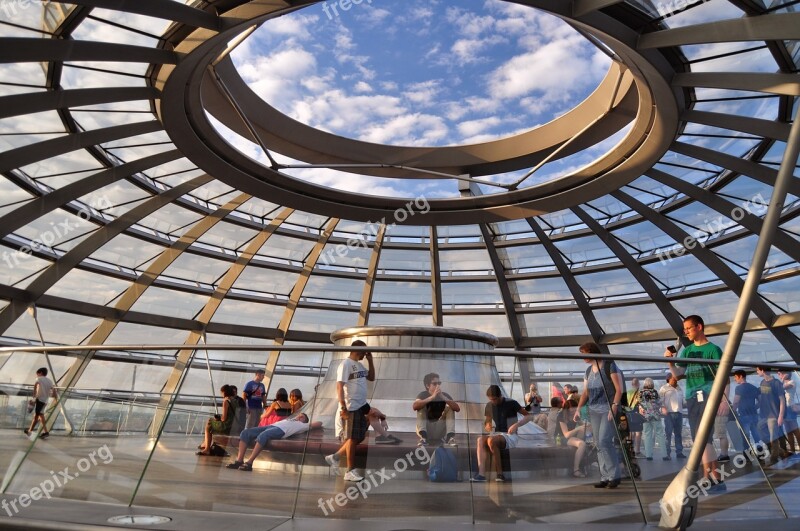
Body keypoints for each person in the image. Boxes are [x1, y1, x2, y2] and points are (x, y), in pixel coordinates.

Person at [665, 315, 725, 492]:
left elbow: (722, 378)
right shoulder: (687, 351)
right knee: (702, 439)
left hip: (707, 396)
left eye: (689, 328)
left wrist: (721, 399)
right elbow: (678, 375)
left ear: (699, 327)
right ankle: (714, 477)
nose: (687, 332)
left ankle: (709, 477)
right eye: (685, 330)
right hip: (692, 397)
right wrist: (669, 360)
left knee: (702, 439)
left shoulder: (714, 350)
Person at [325, 340, 375, 482]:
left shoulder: (359, 365)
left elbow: (371, 377)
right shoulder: (345, 364)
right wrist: (343, 407)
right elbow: (340, 386)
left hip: (360, 405)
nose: (365, 355)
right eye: (365, 352)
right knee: (352, 438)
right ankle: (349, 471)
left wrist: (371, 361)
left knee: (358, 437)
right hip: (351, 406)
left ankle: (335, 457)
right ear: (358, 350)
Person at [575, 342, 623, 489]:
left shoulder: (609, 366)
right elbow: (586, 393)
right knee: (598, 443)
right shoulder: (588, 371)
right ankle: (605, 476)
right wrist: (578, 408)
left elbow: (618, 389)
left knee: (604, 441)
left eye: (585, 353)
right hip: (594, 410)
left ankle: (614, 475)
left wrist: (614, 406)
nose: (583, 357)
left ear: (592, 352)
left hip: (608, 409)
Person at [471, 384, 532, 482]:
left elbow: (528, 416)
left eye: (494, 399)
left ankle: (500, 474)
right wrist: (488, 426)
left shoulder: (511, 403)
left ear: (500, 396)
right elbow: (487, 422)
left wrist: (516, 425)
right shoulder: (489, 405)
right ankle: (481, 474)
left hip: (511, 435)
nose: (493, 402)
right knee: (480, 440)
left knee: (491, 440)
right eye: (491, 399)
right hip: (497, 434)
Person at [226, 413, 323, 471]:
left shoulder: (302, 425)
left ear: (305, 421)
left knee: (263, 436)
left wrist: (308, 423)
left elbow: (320, 423)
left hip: (281, 430)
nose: (299, 417)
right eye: (299, 415)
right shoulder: (290, 420)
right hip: (272, 426)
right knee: (245, 433)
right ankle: (239, 461)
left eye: (302, 417)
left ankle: (249, 463)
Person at [412, 372, 460, 446]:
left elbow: (457, 409)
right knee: (420, 407)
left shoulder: (444, 395)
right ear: (427, 385)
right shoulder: (423, 394)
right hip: (426, 429)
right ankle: (423, 438)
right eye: (435, 384)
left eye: (439, 383)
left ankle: (450, 438)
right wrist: (432, 397)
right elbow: (415, 406)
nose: (438, 386)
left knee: (450, 407)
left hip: (439, 429)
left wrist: (443, 397)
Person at [197, 384, 246, 455]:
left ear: (224, 392)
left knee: (209, 422)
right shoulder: (236, 401)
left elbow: (223, 419)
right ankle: (205, 444)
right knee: (212, 423)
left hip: (227, 426)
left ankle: (207, 448)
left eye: (221, 392)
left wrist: (218, 419)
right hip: (235, 426)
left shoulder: (226, 401)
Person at [755, 366, 786, 464]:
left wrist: (781, 415)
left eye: (758, 370)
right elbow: (764, 398)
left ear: (762, 370)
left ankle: (774, 459)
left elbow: (782, 400)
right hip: (764, 415)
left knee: (774, 438)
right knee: (760, 430)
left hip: (774, 415)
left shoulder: (776, 383)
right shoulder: (762, 383)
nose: (757, 372)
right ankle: (780, 452)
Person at [639, 378, 669, 461]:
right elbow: (659, 403)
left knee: (647, 435)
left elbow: (639, 403)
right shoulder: (655, 392)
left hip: (645, 417)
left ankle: (649, 455)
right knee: (660, 434)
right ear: (652, 384)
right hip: (655, 416)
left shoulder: (641, 393)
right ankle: (664, 455)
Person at [558, 398, 588, 477]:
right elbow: (566, 435)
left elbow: (582, 425)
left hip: (572, 437)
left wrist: (585, 425)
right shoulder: (561, 416)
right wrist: (578, 428)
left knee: (583, 433)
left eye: (575, 410)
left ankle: (583, 465)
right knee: (582, 444)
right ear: (567, 410)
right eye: (572, 411)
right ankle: (576, 470)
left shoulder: (575, 415)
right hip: (561, 438)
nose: (574, 412)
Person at [732, 370, 760, 451]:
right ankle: (760, 454)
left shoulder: (739, 388)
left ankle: (747, 456)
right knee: (757, 436)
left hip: (744, 416)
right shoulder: (753, 387)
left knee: (745, 437)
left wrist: (733, 411)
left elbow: (736, 401)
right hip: (754, 415)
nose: (735, 379)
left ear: (740, 376)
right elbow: (760, 401)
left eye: (735, 377)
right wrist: (754, 408)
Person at [25, 367, 56, 438]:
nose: (37, 376)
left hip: (39, 400)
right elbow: (53, 390)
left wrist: (34, 396)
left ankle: (30, 432)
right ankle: (45, 432)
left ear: (41, 373)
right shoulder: (50, 381)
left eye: (37, 374)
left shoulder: (39, 379)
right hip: (45, 401)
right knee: (41, 415)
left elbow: (36, 385)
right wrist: (55, 396)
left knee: (36, 416)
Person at [659, 375, 685, 459]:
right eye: (674, 378)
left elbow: (682, 401)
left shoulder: (679, 388)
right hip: (669, 413)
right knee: (668, 433)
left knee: (678, 434)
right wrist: (663, 408)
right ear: (668, 379)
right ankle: (667, 453)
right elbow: (660, 400)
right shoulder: (664, 388)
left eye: (676, 379)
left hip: (679, 413)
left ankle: (679, 452)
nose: (676, 380)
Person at [776, 369, 800, 454]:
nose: (779, 375)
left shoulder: (792, 382)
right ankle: (792, 450)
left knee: (795, 430)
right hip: (785, 408)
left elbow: (781, 389)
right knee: (789, 431)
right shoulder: (783, 383)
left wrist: (782, 379)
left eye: (780, 374)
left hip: (790, 407)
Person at [627, 378, 643, 457]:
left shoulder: (627, 393)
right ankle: (637, 451)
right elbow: (641, 405)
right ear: (638, 384)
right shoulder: (639, 393)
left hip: (628, 415)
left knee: (630, 433)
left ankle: (629, 450)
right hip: (637, 415)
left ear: (632, 384)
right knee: (638, 433)